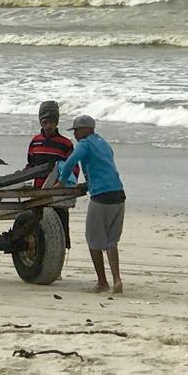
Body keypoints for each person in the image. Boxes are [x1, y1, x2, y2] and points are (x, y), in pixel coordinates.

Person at [54, 115, 125, 294]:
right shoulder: (104, 144)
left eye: (77, 130)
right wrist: (89, 182)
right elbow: (104, 167)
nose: (75, 134)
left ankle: (102, 282)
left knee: (94, 241)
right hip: (118, 194)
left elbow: (71, 161)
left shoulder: (85, 144)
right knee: (111, 241)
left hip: (101, 196)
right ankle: (117, 279)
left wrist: (62, 181)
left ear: (86, 129)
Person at [24, 100, 78, 247]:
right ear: (40, 122)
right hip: (37, 193)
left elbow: (74, 168)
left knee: (60, 233)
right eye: (45, 122)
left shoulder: (66, 144)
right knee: (37, 232)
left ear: (56, 122)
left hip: (57, 193)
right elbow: (30, 165)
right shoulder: (35, 142)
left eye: (51, 122)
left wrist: (63, 184)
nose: (48, 126)